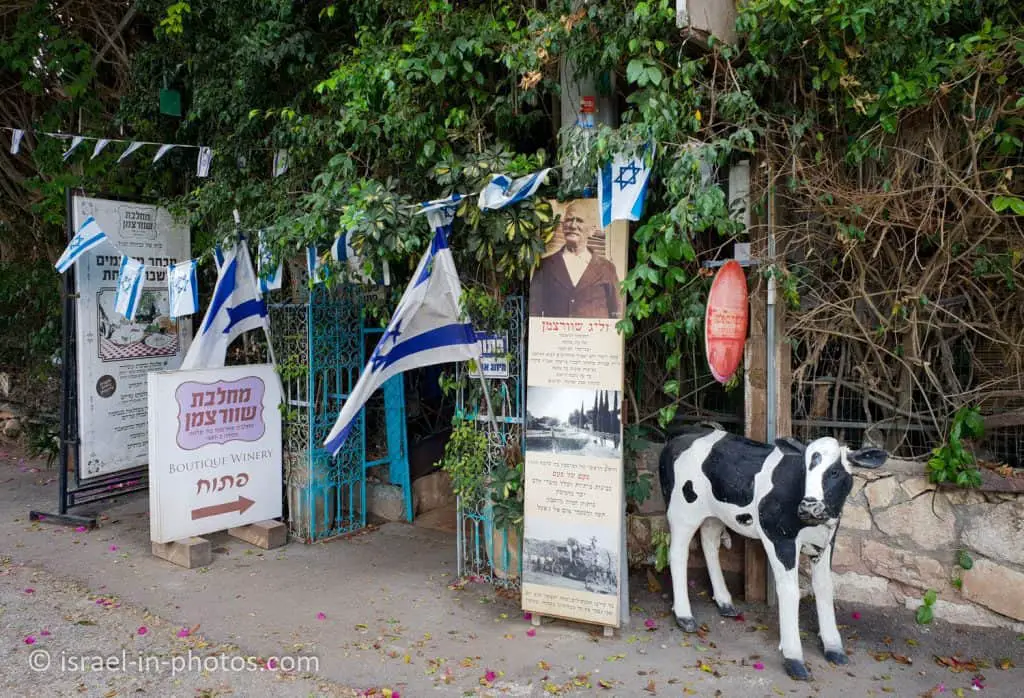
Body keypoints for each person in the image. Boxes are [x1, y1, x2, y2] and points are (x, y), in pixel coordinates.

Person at [529, 202, 622, 318]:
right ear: (563, 226)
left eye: (580, 220)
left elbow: (617, 313)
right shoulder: (544, 266)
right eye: (568, 220)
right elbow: (533, 312)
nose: (573, 225)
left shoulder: (607, 268)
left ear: (592, 230)